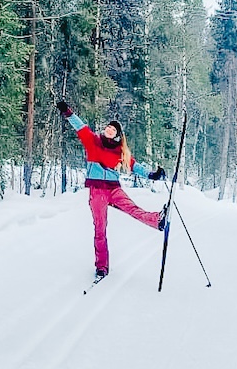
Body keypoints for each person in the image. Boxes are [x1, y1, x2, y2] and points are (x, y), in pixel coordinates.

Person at [56, 100, 167, 280]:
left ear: (117, 135)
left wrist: (152, 175)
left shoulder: (119, 151)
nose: (109, 129)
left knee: (132, 208)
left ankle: (157, 221)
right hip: (97, 190)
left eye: (113, 129)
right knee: (100, 228)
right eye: (108, 127)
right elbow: (80, 125)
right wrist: (67, 112)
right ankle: (102, 266)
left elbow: (134, 166)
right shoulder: (93, 141)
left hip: (114, 189)